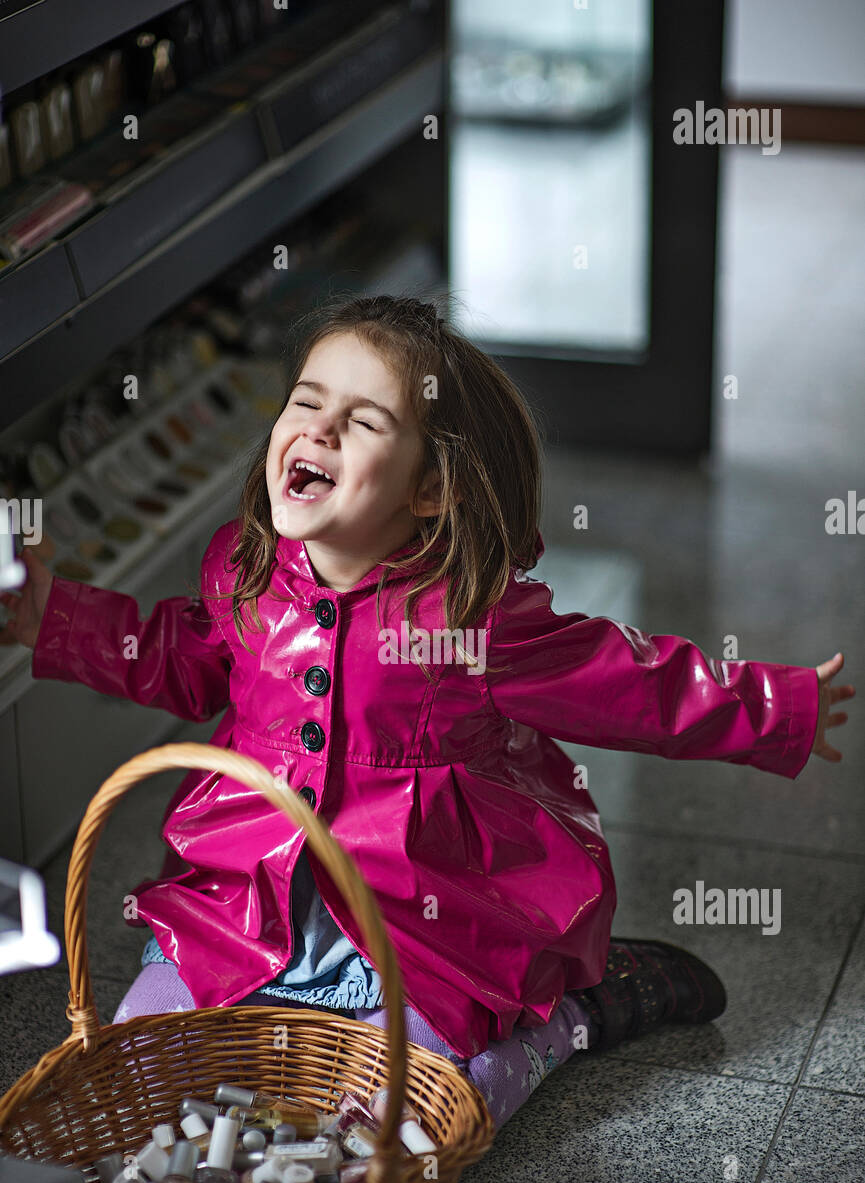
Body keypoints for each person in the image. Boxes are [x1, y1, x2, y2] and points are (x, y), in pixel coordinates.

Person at [0, 294, 854, 1132]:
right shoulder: (246, 568)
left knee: (402, 1125)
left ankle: (565, 1021)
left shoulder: (470, 619)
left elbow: (627, 681)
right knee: (129, 1070)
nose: (319, 430)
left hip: (426, 924)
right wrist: (52, 619)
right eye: (305, 403)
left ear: (431, 490)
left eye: (365, 423)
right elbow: (180, 657)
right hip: (240, 903)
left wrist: (776, 708)